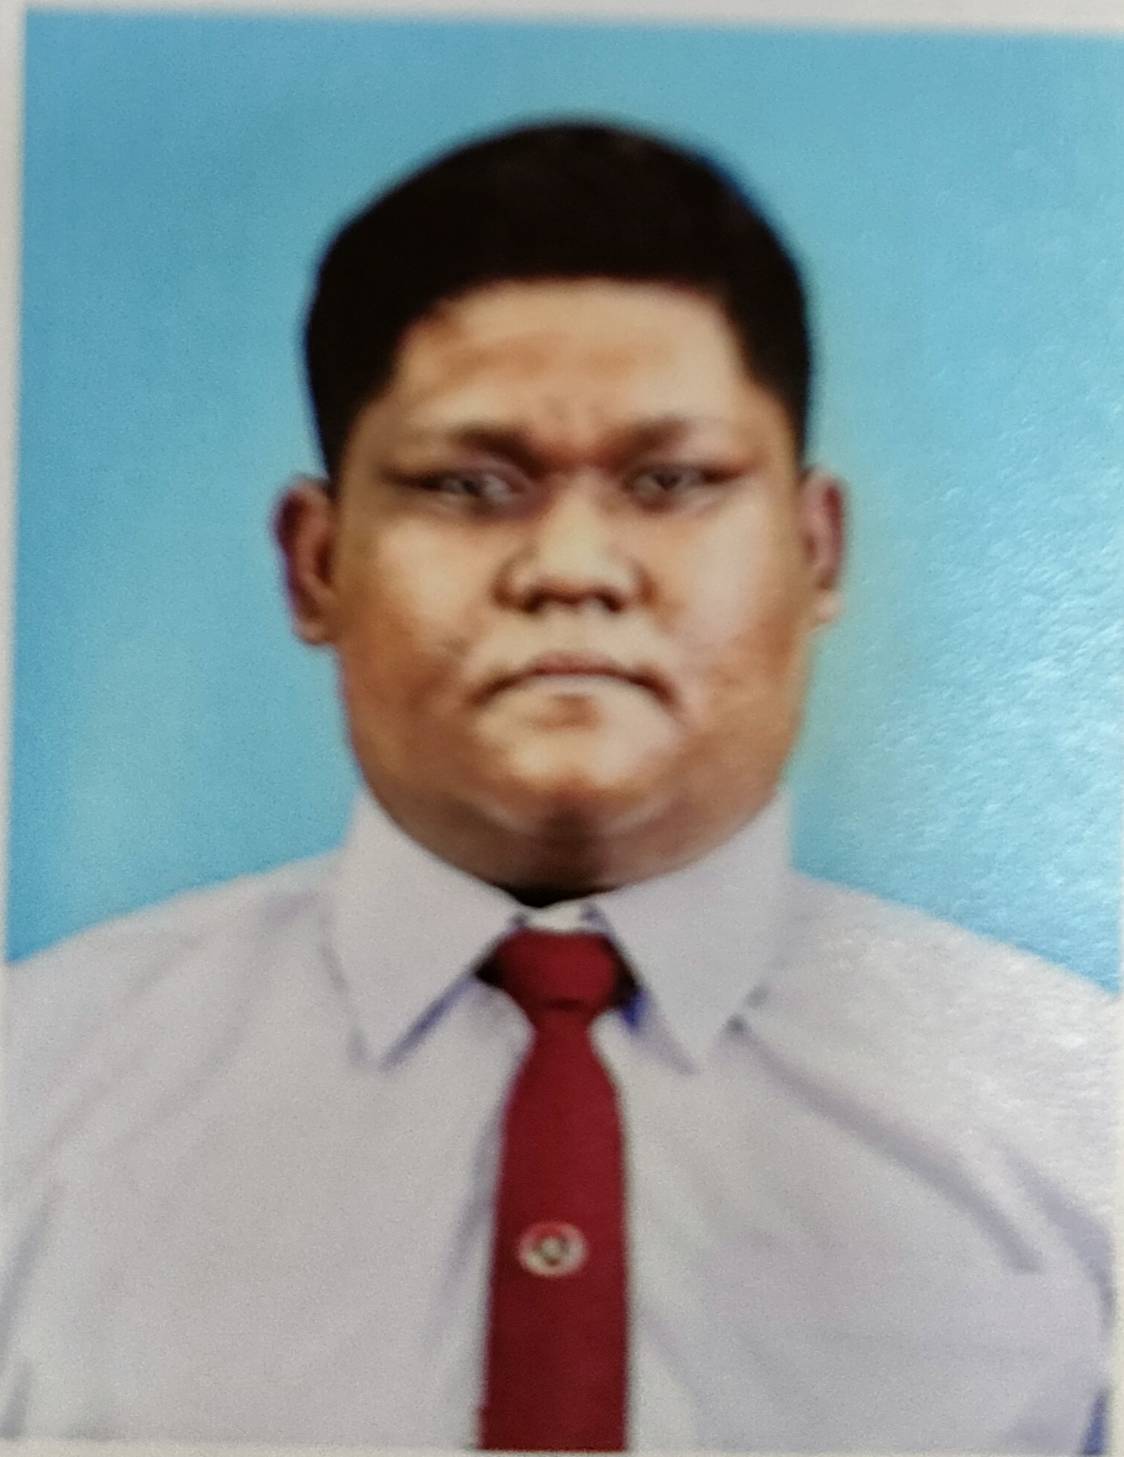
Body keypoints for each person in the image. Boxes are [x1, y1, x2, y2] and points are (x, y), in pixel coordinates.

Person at [1, 121, 1113, 1453]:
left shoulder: (1083, 1121)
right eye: (470, 484)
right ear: (317, 563)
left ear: (817, 550)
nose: (573, 568)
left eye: (672, 480)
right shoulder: (35, 1090)